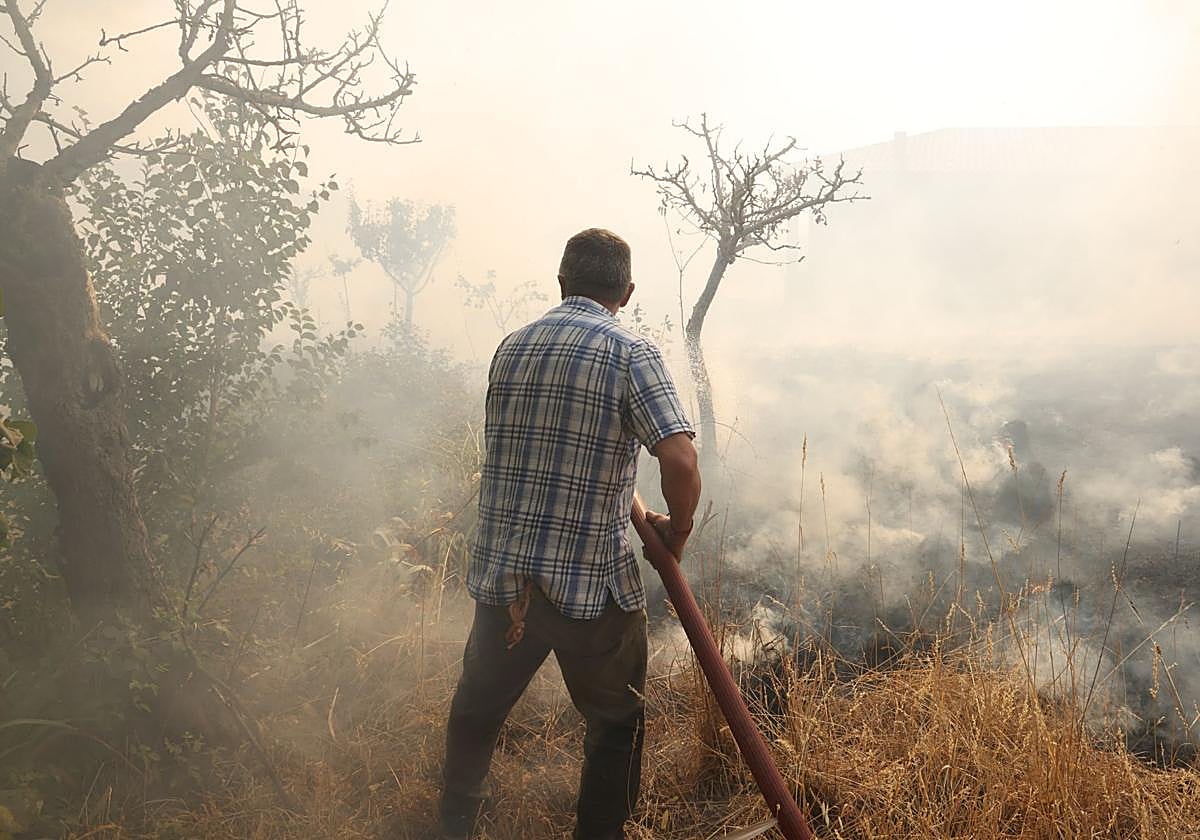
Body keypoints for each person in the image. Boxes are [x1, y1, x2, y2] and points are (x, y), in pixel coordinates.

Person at [439, 228, 701, 840]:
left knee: (475, 714)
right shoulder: (630, 354)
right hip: (591, 589)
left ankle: (453, 827)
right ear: (627, 292)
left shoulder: (512, 347)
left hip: (505, 582)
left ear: (561, 283)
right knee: (615, 725)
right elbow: (681, 462)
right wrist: (677, 532)